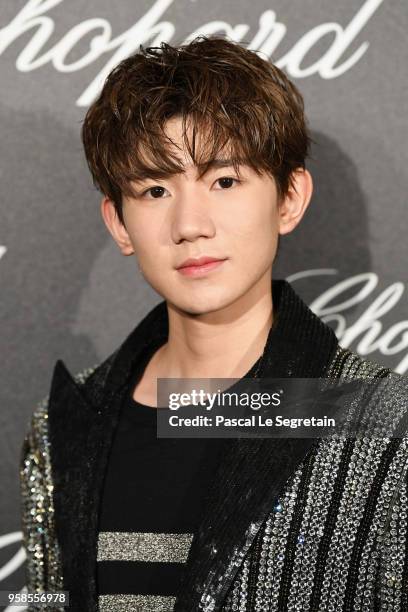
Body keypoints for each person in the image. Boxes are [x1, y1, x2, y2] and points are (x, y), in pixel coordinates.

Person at [19, 35, 408, 612]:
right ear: (119, 223)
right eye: (154, 190)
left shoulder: (383, 430)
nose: (190, 224)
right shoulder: (65, 428)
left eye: (224, 181)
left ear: (289, 198)